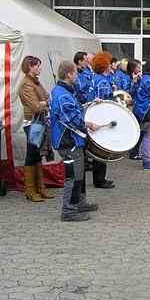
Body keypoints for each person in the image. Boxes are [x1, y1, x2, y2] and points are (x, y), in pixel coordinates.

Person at [49, 61, 100, 222]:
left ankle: (80, 202)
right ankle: (69, 211)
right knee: (73, 177)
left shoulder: (61, 91)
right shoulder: (63, 95)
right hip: (68, 142)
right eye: (75, 73)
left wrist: (90, 104)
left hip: (71, 141)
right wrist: (89, 124)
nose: (77, 76)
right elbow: (72, 119)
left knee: (79, 174)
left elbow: (74, 109)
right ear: (69, 74)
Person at [18, 56, 53, 202]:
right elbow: (35, 106)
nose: (40, 68)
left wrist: (44, 101)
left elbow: (46, 97)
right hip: (33, 123)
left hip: (39, 122)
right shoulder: (26, 84)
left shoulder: (35, 82)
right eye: (38, 66)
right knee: (32, 155)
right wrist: (45, 102)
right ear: (30, 67)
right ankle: (30, 190)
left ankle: (40, 187)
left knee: (37, 154)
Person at [87, 52, 115, 189]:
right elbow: (106, 102)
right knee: (102, 149)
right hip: (101, 118)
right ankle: (100, 179)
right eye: (109, 63)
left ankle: (99, 178)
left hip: (93, 116)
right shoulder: (103, 81)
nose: (111, 65)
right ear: (104, 66)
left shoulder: (95, 78)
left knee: (97, 148)